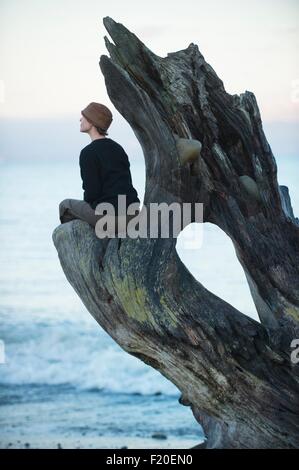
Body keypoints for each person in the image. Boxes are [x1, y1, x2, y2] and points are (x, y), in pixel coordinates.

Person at [59, 102, 141, 237]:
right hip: (132, 215)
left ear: (92, 121)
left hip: (112, 220)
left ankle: (89, 247)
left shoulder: (88, 153)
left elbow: (91, 194)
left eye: (83, 116)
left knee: (65, 206)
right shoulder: (118, 148)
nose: (80, 119)